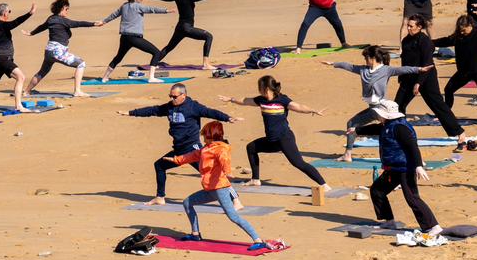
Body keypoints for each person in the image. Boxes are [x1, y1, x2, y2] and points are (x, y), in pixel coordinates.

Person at [117, 83, 235, 205]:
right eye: (170, 96)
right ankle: (160, 197)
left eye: (174, 97)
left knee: (212, 174)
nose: (172, 99)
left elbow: (210, 112)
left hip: (192, 148)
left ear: (183, 95)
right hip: (179, 149)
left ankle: (235, 199)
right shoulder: (169, 107)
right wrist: (131, 113)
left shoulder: (193, 107)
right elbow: (153, 110)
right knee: (160, 165)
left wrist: (227, 118)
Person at [165, 121, 276, 250]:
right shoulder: (206, 148)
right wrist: (176, 160)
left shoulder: (221, 148)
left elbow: (224, 160)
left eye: (205, 135)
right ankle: (195, 234)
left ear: (212, 135)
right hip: (209, 189)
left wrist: (228, 172)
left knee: (233, 216)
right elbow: (192, 155)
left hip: (220, 188)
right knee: (187, 203)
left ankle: (258, 239)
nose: (203, 138)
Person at [217, 75, 327, 190]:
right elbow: (245, 101)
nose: (259, 89)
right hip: (271, 140)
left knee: (298, 163)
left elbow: (298, 106)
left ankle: (324, 184)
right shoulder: (261, 100)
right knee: (251, 148)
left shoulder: (282, 100)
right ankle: (255, 180)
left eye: (260, 87)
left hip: (284, 139)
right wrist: (231, 99)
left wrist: (312, 110)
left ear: (266, 88)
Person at [323, 46, 430, 162]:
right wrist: (334, 63)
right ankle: (413, 156)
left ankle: (348, 154)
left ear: (373, 58)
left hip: (380, 109)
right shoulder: (363, 70)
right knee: (394, 129)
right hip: (374, 108)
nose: (365, 60)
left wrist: (419, 69)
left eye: (366, 58)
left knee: (352, 124)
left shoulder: (386, 70)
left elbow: (403, 69)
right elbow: (349, 66)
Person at [366, 100, 445, 245]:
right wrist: (356, 131)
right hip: (393, 169)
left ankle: (434, 226)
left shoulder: (401, 128)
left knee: (412, 198)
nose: (378, 117)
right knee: (377, 190)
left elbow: (412, 147)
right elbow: (375, 129)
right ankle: (389, 221)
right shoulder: (387, 125)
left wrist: (418, 166)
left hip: (406, 169)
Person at [396, 15, 466, 147]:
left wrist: (419, 83)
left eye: (411, 26)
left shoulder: (425, 41)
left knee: (438, 106)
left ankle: (459, 132)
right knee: (398, 105)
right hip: (409, 77)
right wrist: (402, 76)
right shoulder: (406, 41)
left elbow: (427, 63)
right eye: (408, 26)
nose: (409, 28)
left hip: (427, 78)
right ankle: (400, 133)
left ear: (419, 27)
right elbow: (404, 61)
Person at [26, 0, 103, 97]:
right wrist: (94, 24)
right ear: (62, 8)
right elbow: (78, 24)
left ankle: (26, 91)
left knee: (42, 71)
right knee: (81, 64)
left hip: (49, 51)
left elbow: (42, 26)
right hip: (58, 52)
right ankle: (77, 91)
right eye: (67, 9)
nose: (67, 11)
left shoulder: (51, 19)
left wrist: (31, 33)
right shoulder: (63, 21)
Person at [151, 0, 224, 70]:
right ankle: (206, 64)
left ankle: (154, 63)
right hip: (187, 27)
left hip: (180, 27)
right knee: (208, 36)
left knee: (169, 47)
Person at [98, 0, 170, 82]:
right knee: (156, 52)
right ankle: (151, 77)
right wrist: (166, 10)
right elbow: (151, 9)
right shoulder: (138, 6)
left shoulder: (124, 6)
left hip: (124, 38)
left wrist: (104, 21)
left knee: (118, 57)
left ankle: (105, 77)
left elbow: (114, 15)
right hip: (134, 38)